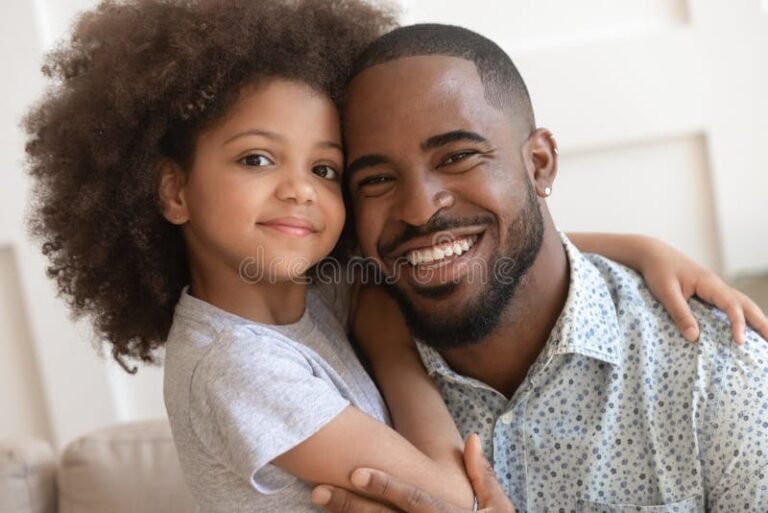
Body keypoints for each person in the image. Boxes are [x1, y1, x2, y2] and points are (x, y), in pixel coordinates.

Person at [23, 3, 766, 511]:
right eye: (255, 159)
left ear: (541, 165)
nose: (300, 192)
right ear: (172, 191)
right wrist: (386, 343)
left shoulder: (305, 296)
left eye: (323, 169)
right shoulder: (240, 363)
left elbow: (489, 244)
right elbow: (455, 496)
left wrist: (639, 247)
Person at [311, 23, 768, 512]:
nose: (420, 210)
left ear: (540, 162)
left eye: (459, 156)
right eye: (377, 179)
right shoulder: (325, 382)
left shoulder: (717, 374)